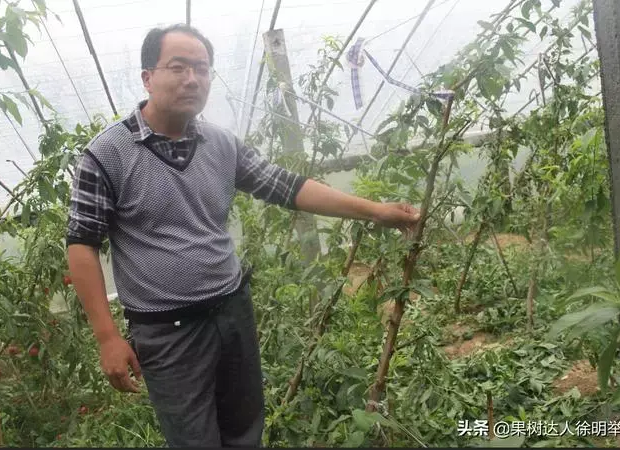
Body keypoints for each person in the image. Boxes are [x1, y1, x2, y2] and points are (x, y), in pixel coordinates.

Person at [66, 23, 420, 448]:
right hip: (168, 330)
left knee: (244, 430)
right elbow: (82, 243)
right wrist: (107, 337)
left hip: (232, 309)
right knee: (193, 439)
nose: (192, 79)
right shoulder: (107, 154)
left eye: (202, 68)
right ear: (147, 77)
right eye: (177, 67)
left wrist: (376, 211)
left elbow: (286, 186)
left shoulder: (220, 143)